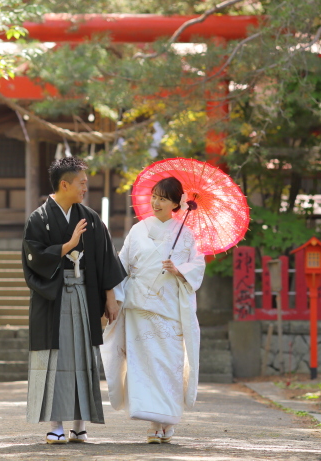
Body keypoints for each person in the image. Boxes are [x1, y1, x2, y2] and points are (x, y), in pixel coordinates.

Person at [22, 156, 127, 444]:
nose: (85, 188)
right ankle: (56, 424)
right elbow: (32, 258)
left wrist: (110, 299)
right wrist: (66, 247)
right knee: (56, 358)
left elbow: (106, 260)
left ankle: (79, 425)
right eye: (81, 183)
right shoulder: (39, 219)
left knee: (83, 356)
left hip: (83, 295)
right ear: (64, 184)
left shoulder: (91, 219)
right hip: (52, 298)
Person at [100, 176, 206, 443]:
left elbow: (198, 265)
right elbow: (121, 264)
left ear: (175, 203)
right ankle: (152, 422)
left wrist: (179, 269)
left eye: (163, 198)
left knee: (168, 364)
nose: (156, 202)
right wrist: (111, 297)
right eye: (154, 196)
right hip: (138, 308)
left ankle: (167, 420)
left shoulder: (186, 235)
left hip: (168, 309)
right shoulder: (138, 230)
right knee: (143, 365)